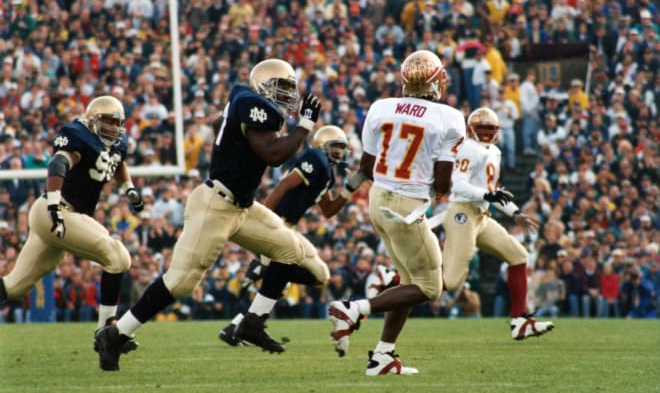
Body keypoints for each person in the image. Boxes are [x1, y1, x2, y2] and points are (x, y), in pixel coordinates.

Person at [94, 58, 326, 371]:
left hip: (241, 206)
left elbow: (221, 126)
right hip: (216, 205)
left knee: (290, 250)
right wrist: (305, 126)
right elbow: (273, 155)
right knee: (181, 282)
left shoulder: (243, 102)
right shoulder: (252, 104)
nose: (287, 94)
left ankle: (252, 322)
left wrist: (232, 145)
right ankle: (117, 334)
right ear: (263, 86)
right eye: (281, 86)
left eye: (290, 87)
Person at [327, 50, 466, 376]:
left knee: (408, 281)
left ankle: (383, 356)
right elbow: (443, 181)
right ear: (434, 81)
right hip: (408, 206)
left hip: (378, 200)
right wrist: (435, 188)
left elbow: (366, 167)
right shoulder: (449, 116)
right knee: (432, 287)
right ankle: (354, 309)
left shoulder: (380, 107)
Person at [0, 96, 143, 353]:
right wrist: (55, 205)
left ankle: (105, 331)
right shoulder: (79, 134)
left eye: (116, 122)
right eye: (107, 121)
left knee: (15, 287)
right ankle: (105, 333)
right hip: (56, 210)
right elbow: (58, 162)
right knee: (117, 257)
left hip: (64, 214)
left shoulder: (118, 142)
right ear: (93, 119)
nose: (113, 127)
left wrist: (129, 189)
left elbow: (118, 162)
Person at [218, 124, 351, 347]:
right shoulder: (315, 157)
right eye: (335, 147)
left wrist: (351, 188)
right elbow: (284, 184)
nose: (339, 153)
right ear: (322, 145)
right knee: (283, 282)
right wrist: (266, 219)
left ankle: (238, 325)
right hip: (278, 223)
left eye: (341, 148)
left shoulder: (327, 172)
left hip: (289, 228)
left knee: (319, 275)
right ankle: (242, 324)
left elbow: (328, 210)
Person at [442, 107, 554, 340]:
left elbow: (493, 192)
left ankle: (520, 321)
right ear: (471, 130)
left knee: (518, 255)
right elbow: (458, 184)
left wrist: (514, 213)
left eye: (489, 130)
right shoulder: (468, 148)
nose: (485, 134)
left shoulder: (494, 152)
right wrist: (487, 196)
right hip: (462, 212)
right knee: (452, 281)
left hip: (481, 216)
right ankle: (393, 281)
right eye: (481, 130)